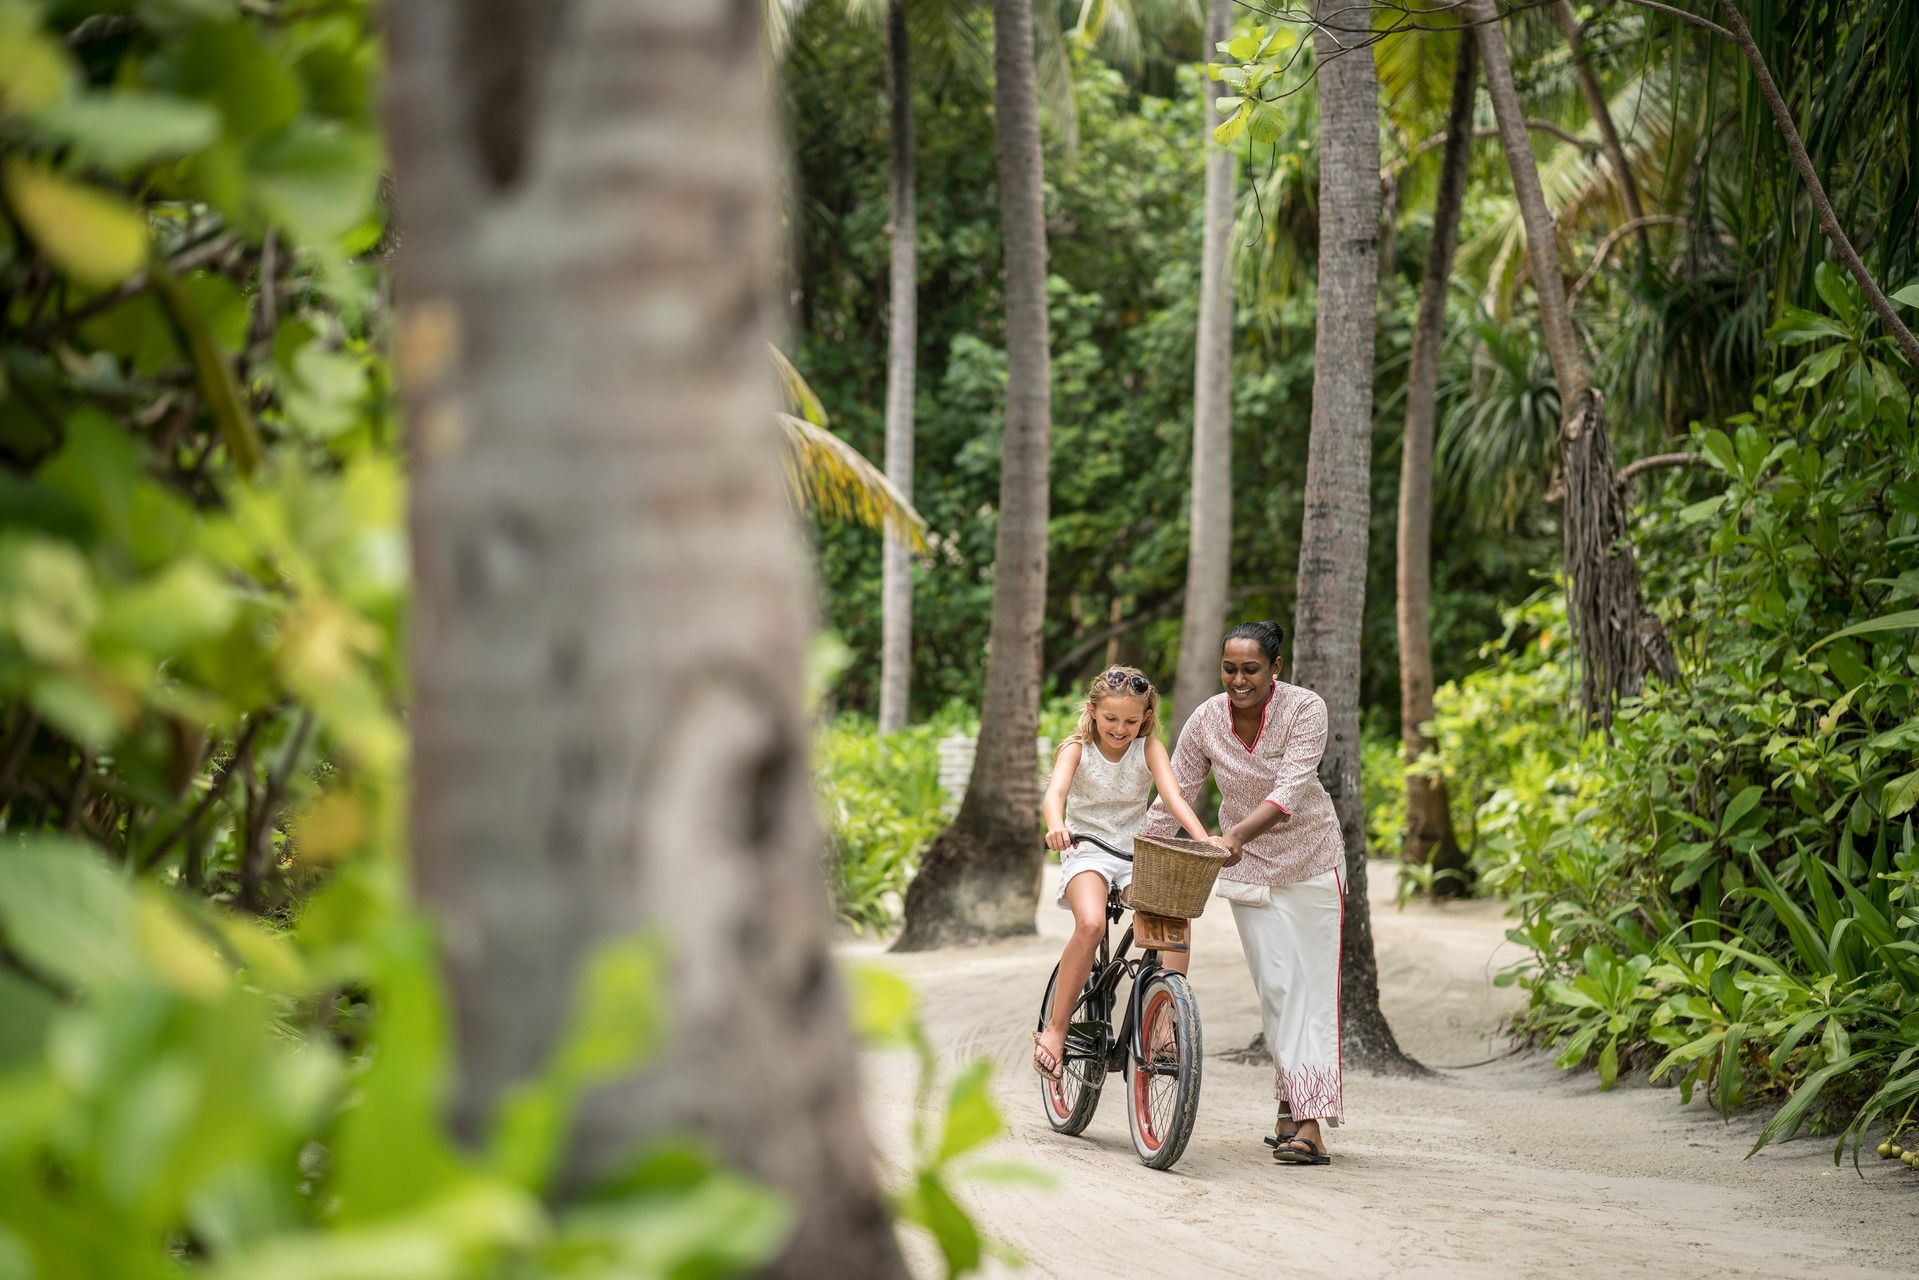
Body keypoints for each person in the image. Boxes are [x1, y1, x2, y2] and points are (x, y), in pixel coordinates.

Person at [1143, 621, 1345, 1166]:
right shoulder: (1207, 719)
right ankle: (1293, 1110)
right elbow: (1177, 792)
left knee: (1312, 991)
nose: (1238, 679)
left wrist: (1231, 835)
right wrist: (1141, 852)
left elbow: (1291, 790)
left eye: (1251, 669)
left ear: (1275, 668)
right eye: (1229, 668)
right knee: (1279, 988)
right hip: (1251, 868)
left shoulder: (1305, 709)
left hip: (1312, 861)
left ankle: (1307, 1121)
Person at [1031, 666, 1220, 1083]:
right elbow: (1055, 794)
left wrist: (1203, 838)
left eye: (1131, 721)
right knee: (1093, 923)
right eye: (1111, 719)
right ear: (1093, 711)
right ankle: (1056, 1028)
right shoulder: (1076, 749)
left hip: (1133, 853)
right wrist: (1055, 824)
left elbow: (1173, 796)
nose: (1120, 729)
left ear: (1146, 717)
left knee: (1174, 914)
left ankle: (1167, 1023)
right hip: (1087, 850)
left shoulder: (1149, 747)